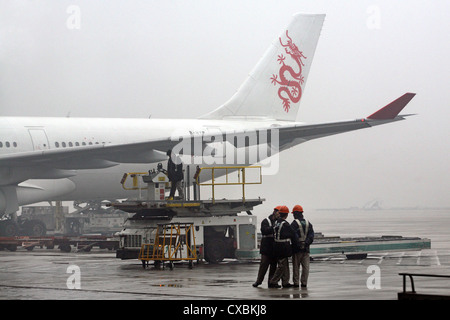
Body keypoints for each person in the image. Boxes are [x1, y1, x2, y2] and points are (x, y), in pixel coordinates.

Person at [268, 206, 299, 288]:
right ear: (286, 215)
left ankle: (285, 282)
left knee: (284, 264)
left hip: (276, 246)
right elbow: (292, 234)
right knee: (282, 265)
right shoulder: (285, 224)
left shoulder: (276, 222)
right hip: (283, 247)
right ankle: (273, 281)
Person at [252, 206, 281, 287]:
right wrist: (274, 228)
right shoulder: (266, 221)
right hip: (266, 247)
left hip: (274, 247)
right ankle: (258, 281)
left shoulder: (279, 221)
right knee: (263, 265)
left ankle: (271, 282)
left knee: (273, 266)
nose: (279, 215)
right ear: (274, 212)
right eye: (279, 213)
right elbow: (264, 231)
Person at [291, 205, 314, 288]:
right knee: (306, 267)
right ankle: (304, 283)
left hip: (296, 249)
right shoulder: (308, 223)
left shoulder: (294, 223)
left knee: (296, 267)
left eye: (293, 214)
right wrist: (306, 243)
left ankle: (296, 283)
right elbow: (311, 236)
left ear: (296, 214)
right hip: (306, 249)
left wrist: (299, 244)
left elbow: (293, 235)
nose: (293, 215)